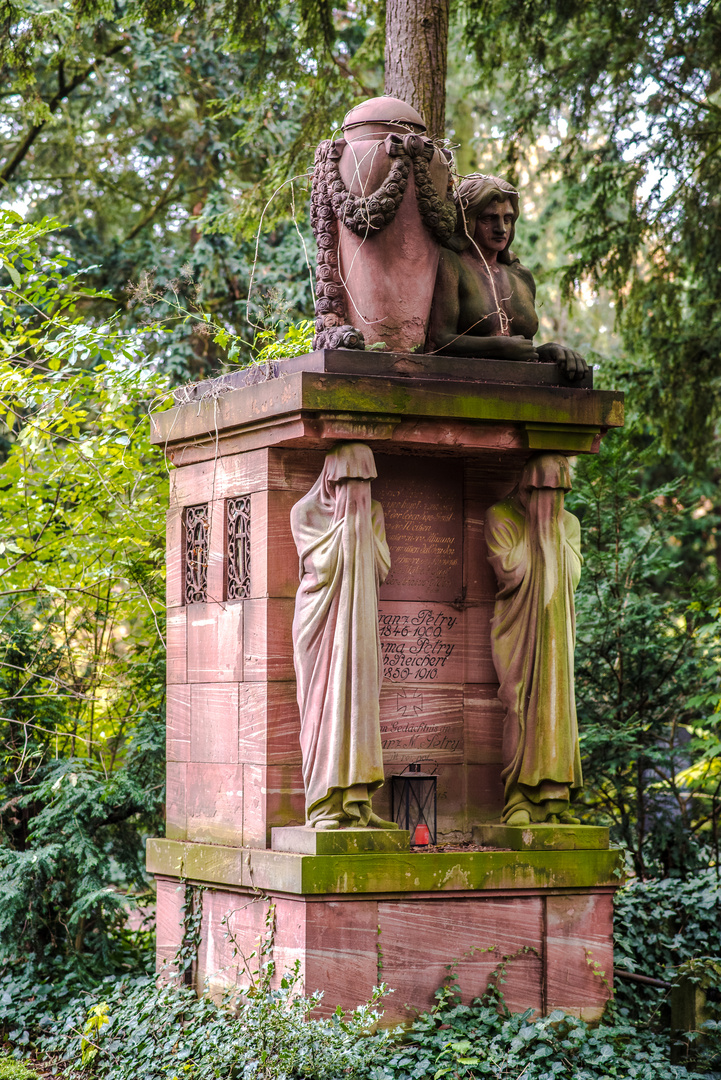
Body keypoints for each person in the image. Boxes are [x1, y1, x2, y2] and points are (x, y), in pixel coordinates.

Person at [290, 441, 397, 830]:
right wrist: (350, 529)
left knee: (360, 703)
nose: (357, 493)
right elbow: (320, 565)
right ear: (331, 479)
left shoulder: (374, 513)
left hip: (362, 624)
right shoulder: (304, 512)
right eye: (349, 482)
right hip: (320, 627)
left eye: (364, 483)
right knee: (324, 708)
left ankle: (357, 800)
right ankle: (323, 806)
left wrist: (361, 526)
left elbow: (381, 565)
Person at [485, 452, 584, 825]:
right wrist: (540, 533)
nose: (551, 501)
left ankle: (553, 800)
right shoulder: (500, 516)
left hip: (557, 630)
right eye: (543, 490)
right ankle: (517, 799)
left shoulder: (568, 523)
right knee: (519, 703)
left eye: (559, 493)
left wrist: (552, 530)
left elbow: (572, 575)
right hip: (517, 628)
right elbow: (510, 572)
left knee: (558, 707)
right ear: (526, 486)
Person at [427, 173, 588, 380]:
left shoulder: (521, 275)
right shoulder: (450, 263)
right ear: (468, 219)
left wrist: (550, 350)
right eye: (489, 218)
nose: (501, 228)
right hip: (463, 385)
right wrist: (498, 346)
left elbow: (522, 351)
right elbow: (439, 340)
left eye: (508, 219)